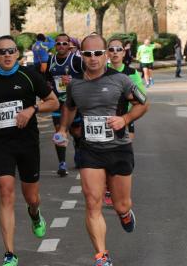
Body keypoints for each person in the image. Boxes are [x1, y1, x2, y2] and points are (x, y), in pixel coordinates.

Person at [57, 34, 149, 266]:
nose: (93, 58)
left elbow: (143, 103)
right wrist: (63, 130)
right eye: (87, 54)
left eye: (98, 53)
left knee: (121, 204)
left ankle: (125, 213)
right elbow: (69, 107)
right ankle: (102, 255)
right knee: (92, 202)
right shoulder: (75, 83)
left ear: (106, 54)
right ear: (82, 55)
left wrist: (125, 119)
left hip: (118, 149)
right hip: (91, 150)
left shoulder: (120, 80)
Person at [0, 35, 59, 266]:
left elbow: (54, 102)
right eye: (1, 52)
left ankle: (35, 213)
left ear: (17, 54)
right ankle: (10, 253)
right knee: (5, 191)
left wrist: (32, 109)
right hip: (2, 143)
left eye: (10, 51)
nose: (6, 55)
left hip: (27, 143)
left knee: (31, 197)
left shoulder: (29, 76)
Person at [103, 38, 145, 207]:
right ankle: (108, 188)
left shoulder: (131, 73)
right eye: (111, 49)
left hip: (125, 118)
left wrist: (127, 117)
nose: (114, 52)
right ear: (107, 52)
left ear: (123, 52)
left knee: (123, 155)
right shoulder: (101, 72)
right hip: (105, 120)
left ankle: (120, 188)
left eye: (118, 49)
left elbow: (141, 98)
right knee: (105, 155)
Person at [46, 33, 83, 177]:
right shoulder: (51, 60)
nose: (61, 46)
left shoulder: (76, 61)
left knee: (77, 132)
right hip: (58, 103)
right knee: (59, 131)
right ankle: (62, 163)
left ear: (69, 45)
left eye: (64, 43)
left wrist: (74, 81)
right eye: (58, 43)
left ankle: (79, 150)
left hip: (74, 102)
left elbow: (88, 77)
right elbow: (47, 79)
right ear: (55, 46)